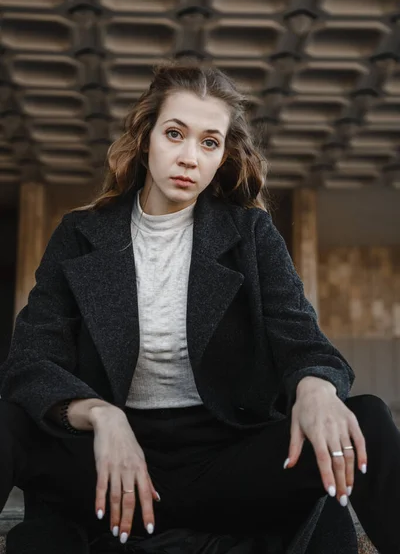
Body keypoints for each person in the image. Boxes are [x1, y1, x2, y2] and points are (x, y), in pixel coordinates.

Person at [0, 61, 398, 554]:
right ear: (146, 139)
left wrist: (316, 389)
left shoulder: (250, 235)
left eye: (209, 142)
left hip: (225, 463)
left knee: (370, 420)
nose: (190, 157)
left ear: (222, 155)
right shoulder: (80, 235)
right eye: (175, 134)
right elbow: (31, 361)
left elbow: (304, 342)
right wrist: (101, 416)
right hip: (113, 471)